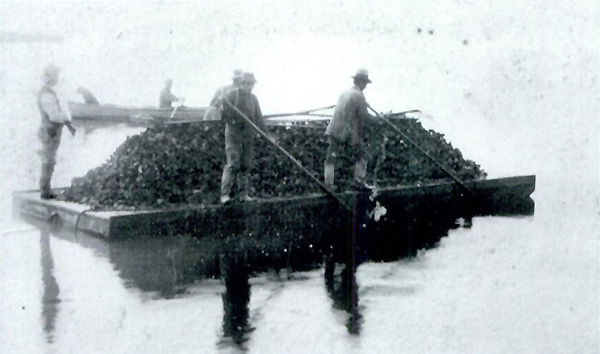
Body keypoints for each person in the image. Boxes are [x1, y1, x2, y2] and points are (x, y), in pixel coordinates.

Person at [219, 72, 273, 204]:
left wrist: (267, 135)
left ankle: (243, 194)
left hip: (248, 135)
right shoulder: (231, 95)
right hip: (233, 133)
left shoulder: (253, 99)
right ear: (241, 83)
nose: (249, 87)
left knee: (245, 164)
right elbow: (223, 113)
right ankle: (224, 195)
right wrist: (226, 109)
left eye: (251, 84)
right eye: (246, 84)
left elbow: (259, 118)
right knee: (233, 163)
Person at [324, 68, 375, 191]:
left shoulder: (345, 92)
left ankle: (328, 184)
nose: (365, 86)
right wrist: (379, 120)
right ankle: (359, 181)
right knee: (362, 153)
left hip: (333, 129)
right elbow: (364, 117)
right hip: (346, 131)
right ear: (361, 82)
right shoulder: (359, 95)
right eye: (365, 83)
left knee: (331, 156)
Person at [37, 64, 72, 199]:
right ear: (50, 77)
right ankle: (45, 190)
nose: (57, 77)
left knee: (49, 158)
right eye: (55, 75)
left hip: (49, 130)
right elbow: (54, 116)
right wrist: (66, 116)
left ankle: (46, 188)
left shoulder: (47, 92)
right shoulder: (47, 94)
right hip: (50, 131)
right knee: (48, 160)